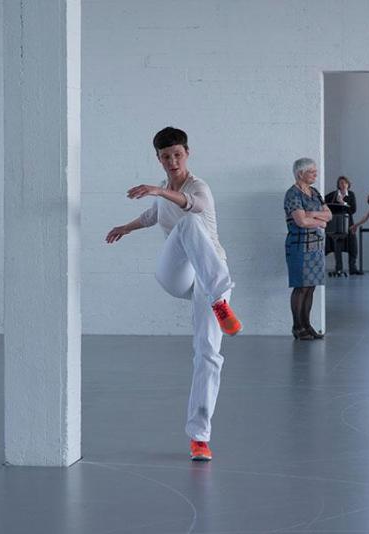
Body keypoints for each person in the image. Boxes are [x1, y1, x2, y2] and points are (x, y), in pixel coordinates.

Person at [105, 127, 241, 462]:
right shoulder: (163, 191)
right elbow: (154, 215)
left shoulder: (199, 188)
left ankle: (200, 437)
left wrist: (157, 191)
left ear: (187, 153)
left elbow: (189, 204)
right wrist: (126, 226)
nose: (172, 161)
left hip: (208, 279)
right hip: (178, 275)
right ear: (159, 158)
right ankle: (220, 298)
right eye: (166, 157)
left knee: (208, 354)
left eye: (177, 155)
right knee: (185, 227)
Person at [284, 158, 331, 340]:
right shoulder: (292, 194)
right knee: (301, 287)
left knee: (311, 287)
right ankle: (297, 327)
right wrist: (320, 221)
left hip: (316, 247)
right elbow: (301, 221)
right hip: (299, 246)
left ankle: (307, 325)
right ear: (300, 174)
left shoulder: (315, 192)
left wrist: (312, 214)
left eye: (315, 171)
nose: (315, 174)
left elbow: (329, 214)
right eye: (311, 171)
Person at [325, 176, 360, 275]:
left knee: (353, 245)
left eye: (345, 183)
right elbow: (324, 203)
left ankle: (353, 268)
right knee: (337, 247)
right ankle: (338, 268)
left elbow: (353, 210)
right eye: (341, 183)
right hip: (337, 224)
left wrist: (343, 202)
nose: (343, 184)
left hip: (349, 224)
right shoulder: (333, 194)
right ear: (338, 185)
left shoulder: (351, 195)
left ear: (348, 184)